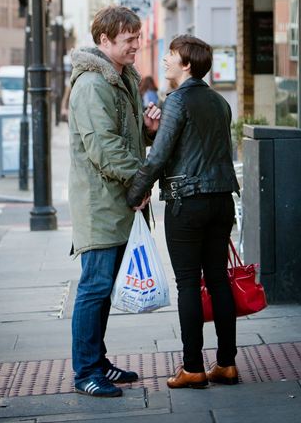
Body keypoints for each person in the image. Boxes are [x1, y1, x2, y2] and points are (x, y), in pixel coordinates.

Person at [126, 35, 240, 389]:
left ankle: (192, 367)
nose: (164, 59)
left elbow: (158, 156)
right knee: (219, 280)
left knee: (189, 284)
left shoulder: (176, 101)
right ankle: (226, 364)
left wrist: (135, 191)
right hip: (222, 200)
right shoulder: (220, 102)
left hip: (186, 201)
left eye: (171, 55)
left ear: (186, 64)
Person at [68, 5, 161, 398]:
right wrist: (141, 182)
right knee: (94, 287)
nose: (136, 46)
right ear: (104, 41)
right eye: (128, 39)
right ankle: (86, 371)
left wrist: (148, 129)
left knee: (103, 288)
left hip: (120, 201)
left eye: (138, 37)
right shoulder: (92, 85)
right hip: (101, 204)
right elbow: (103, 148)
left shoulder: (121, 80)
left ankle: (99, 363)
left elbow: (123, 137)